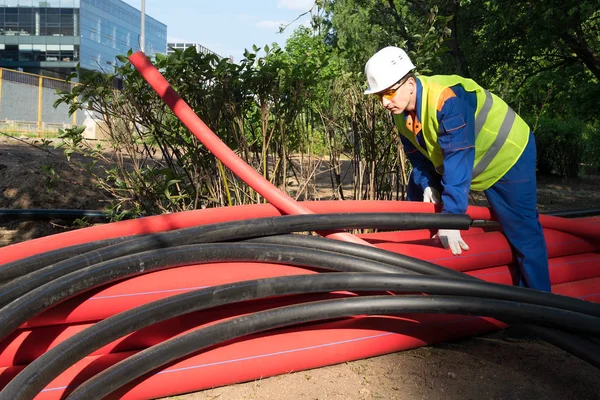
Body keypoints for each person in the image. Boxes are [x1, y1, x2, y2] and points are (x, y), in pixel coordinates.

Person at [364, 46, 550, 292]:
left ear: (410, 83)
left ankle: (540, 308)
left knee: (522, 230)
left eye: (389, 92)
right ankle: (420, 271)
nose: (385, 102)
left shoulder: (448, 98)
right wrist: (428, 183)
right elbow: (416, 155)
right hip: (469, 160)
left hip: (508, 154)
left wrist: (452, 219)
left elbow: (458, 159)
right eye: (380, 96)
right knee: (416, 189)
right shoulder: (400, 112)